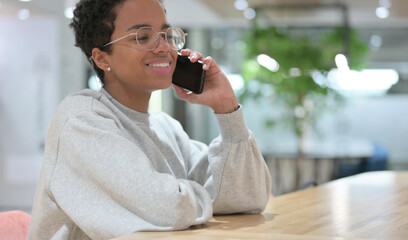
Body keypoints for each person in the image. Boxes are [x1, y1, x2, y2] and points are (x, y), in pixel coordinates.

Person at [27, 0, 272, 239]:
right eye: (142, 37)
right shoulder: (81, 121)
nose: (164, 47)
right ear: (102, 58)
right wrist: (209, 195)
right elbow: (168, 210)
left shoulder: (166, 127)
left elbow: (249, 197)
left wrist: (226, 108)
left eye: (166, 35)